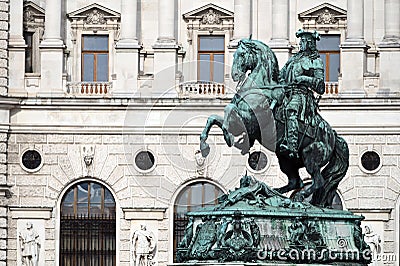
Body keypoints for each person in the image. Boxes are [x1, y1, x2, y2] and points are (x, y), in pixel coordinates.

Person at [279, 29, 325, 158]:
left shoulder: (315, 61)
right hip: (287, 92)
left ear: (310, 43)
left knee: (290, 111)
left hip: (301, 95)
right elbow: (281, 74)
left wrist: (304, 79)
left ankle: (292, 146)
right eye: (301, 41)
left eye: (303, 41)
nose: (300, 44)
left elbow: (320, 86)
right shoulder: (293, 60)